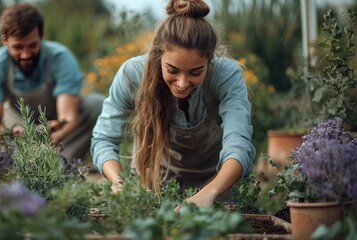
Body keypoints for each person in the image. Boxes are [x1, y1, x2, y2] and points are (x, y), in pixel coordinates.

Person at [91, 0, 255, 208]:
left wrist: (210, 193)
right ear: (160, 56)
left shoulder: (226, 75)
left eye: (196, 72)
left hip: (216, 184)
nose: (182, 83)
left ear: (209, 61)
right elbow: (104, 139)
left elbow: (238, 145)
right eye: (172, 70)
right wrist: (120, 183)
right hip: (153, 185)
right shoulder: (131, 75)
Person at [0, 3, 104, 159]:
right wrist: (11, 133)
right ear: (4, 40)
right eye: (17, 47)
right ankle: (27, 161)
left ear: (41, 36)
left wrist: (59, 132)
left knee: (97, 104)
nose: (25, 55)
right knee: (3, 133)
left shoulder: (61, 58)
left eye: (32, 45)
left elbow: (68, 117)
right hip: (18, 124)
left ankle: (61, 160)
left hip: (56, 125)